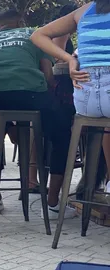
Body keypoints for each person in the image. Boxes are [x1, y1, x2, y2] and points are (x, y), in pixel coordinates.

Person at [0, 9, 77, 218]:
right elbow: (48, 76)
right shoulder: (33, 34)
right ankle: (53, 204)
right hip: (30, 95)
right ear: (21, 21)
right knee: (63, 134)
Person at [31, 0, 110, 194]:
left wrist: (69, 59)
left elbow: (38, 35)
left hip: (85, 103)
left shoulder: (83, 11)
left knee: (106, 122)